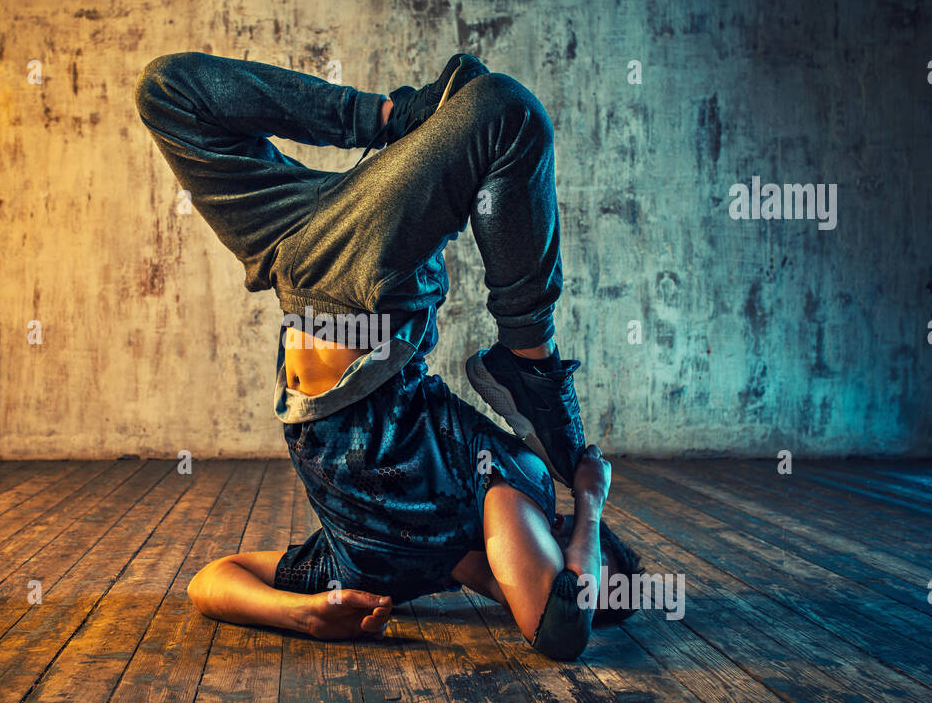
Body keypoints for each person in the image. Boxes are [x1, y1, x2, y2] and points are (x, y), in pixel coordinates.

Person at [135, 50, 643, 660]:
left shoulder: (370, 576)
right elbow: (563, 625)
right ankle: (530, 359)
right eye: (580, 571)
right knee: (503, 116)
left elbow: (211, 580)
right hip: (369, 286)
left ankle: (399, 119)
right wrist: (585, 502)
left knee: (168, 95)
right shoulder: (519, 488)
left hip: (305, 265)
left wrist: (303, 615)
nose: (566, 583)